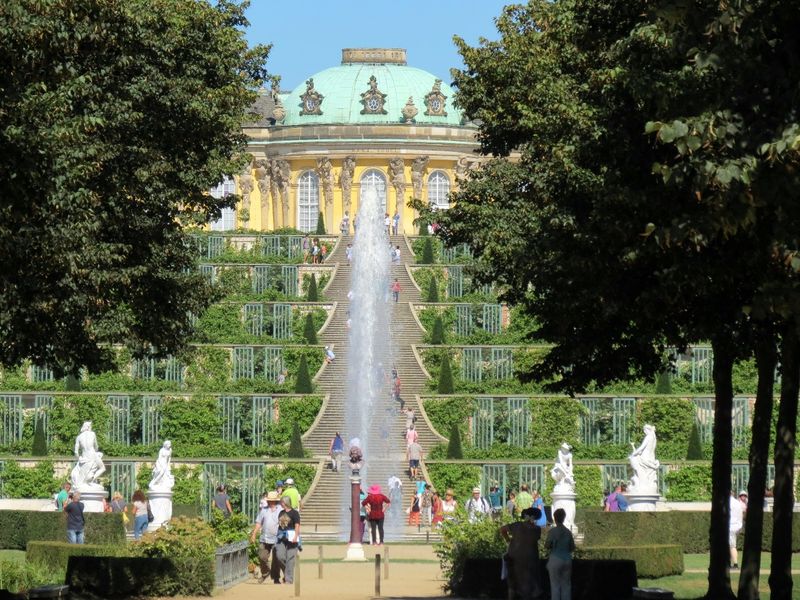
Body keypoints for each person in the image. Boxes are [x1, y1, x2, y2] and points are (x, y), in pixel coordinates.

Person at [501, 507, 544, 600]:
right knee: (529, 583)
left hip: (514, 557)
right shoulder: (537, 529)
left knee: (513, 583)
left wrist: (508, 539)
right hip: (530, 558)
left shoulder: (516, 525)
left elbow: (503, 529)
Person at [250, 491, 282, 584]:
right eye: (268, 500)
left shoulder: (280, 509)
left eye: (271, 500)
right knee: (262, 556)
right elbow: (258, 522)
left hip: (277, 538)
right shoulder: (264, 510)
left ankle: (276, 578)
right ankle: (266, 572)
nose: (269, 502)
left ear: (274, 501)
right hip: (264, 538)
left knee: (276, 559)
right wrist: (254, 534)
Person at [546, 508, 575, 600]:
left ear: (554, 518)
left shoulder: (552, 532)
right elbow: (572, 547)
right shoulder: (568, 532)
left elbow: (546, 546)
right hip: (567, 559)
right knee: (566, 585)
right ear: (564, 518)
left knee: (555, 585)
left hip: (555, 559)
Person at [275, 496, 301, 584]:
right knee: (280, 556)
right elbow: (280, 526)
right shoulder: (281, 512)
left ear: (285, 503)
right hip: (281, 538)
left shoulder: (295, 513)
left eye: (281, 502)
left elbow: (297, 525)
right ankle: (287, 573)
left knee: (290, 558)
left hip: (292, 538)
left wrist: (296, 536)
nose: (280, 504)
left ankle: (288, 579)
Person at [729, 490, 745, 569]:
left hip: (730, 526)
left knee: (732, 546)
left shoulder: (728, 502)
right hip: (738, 526)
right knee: (730, 545)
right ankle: (730, 563)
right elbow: (742, 514)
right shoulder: (737, 502)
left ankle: (735, 564)